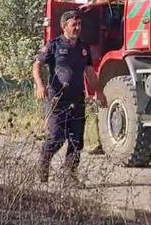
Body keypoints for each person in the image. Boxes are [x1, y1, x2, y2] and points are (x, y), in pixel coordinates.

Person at [32, 10, 106, 186]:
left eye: (79, 24)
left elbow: (89, 72)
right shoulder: (54, 46)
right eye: (74, 25)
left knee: (76, 140)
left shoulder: (83, 47)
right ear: (64, 26)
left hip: (77, 100)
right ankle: (42, 172)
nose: (78, 28)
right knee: (57, 137)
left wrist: (99, 91)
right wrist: (40, 85)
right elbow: (36, 65)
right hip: (57, 99)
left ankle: (69, 176)